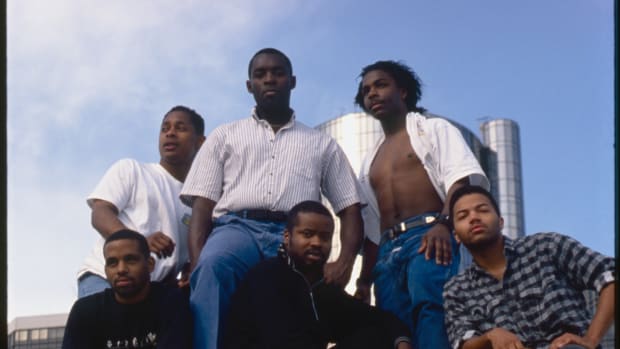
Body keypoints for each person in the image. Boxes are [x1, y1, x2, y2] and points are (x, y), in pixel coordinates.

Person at [180, 48, 363, 349]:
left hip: (293, 236)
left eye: (277, 73)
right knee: (214, 268)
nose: (269, 80)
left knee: (295, 306)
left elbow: (350, 206)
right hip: (237, 229)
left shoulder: (321, 143)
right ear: (249, 85)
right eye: (260, 74)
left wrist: (344, 262)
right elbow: (202, 204)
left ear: (292, 81)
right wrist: (199, 262)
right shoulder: (224, 135)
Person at [353, 60, 489, 348]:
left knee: (431, 310)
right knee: (393, 328)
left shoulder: (433, 129)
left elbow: (459, 181)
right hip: (387, 251)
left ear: (403, 91)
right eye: (366, 90)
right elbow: (373, 227)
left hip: (427, 236)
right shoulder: (369, 160)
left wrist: (443, 223)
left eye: (380, 85)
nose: (372, 94)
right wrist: (364, 280)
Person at [443, 185, 615, 349]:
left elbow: (610, 275)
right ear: (456, 236)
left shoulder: (547, 246)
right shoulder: (456, 290)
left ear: (501, 222)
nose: (474, 218)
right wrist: (490, 336)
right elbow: (463, 342)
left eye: (483, 210)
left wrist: (590, 339)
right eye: (463, 216)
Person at [224, 200, 412, 349]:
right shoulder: (267, 277)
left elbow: (379, 319)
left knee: (374, 338)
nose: (316, 242)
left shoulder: (321, 288)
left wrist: (402, 340)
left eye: (324, 237)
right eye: (307, 234)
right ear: (287, 237)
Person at [77, 105, 205, 298]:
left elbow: (185, 256)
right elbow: (100, 213)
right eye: (165, 128)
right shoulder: (132, 170)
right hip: (104, 281)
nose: (170, 133)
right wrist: (140, 242)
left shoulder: (199, 202)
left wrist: (189, 269)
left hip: (151, 293)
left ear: (200, 142)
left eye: (180, 128)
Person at [63, 230, 192, 349]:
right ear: (106, 270)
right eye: (113, 263)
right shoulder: (85, 311)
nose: (121, 270)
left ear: (150, 264)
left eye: (131, 260)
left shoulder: (172, 302)